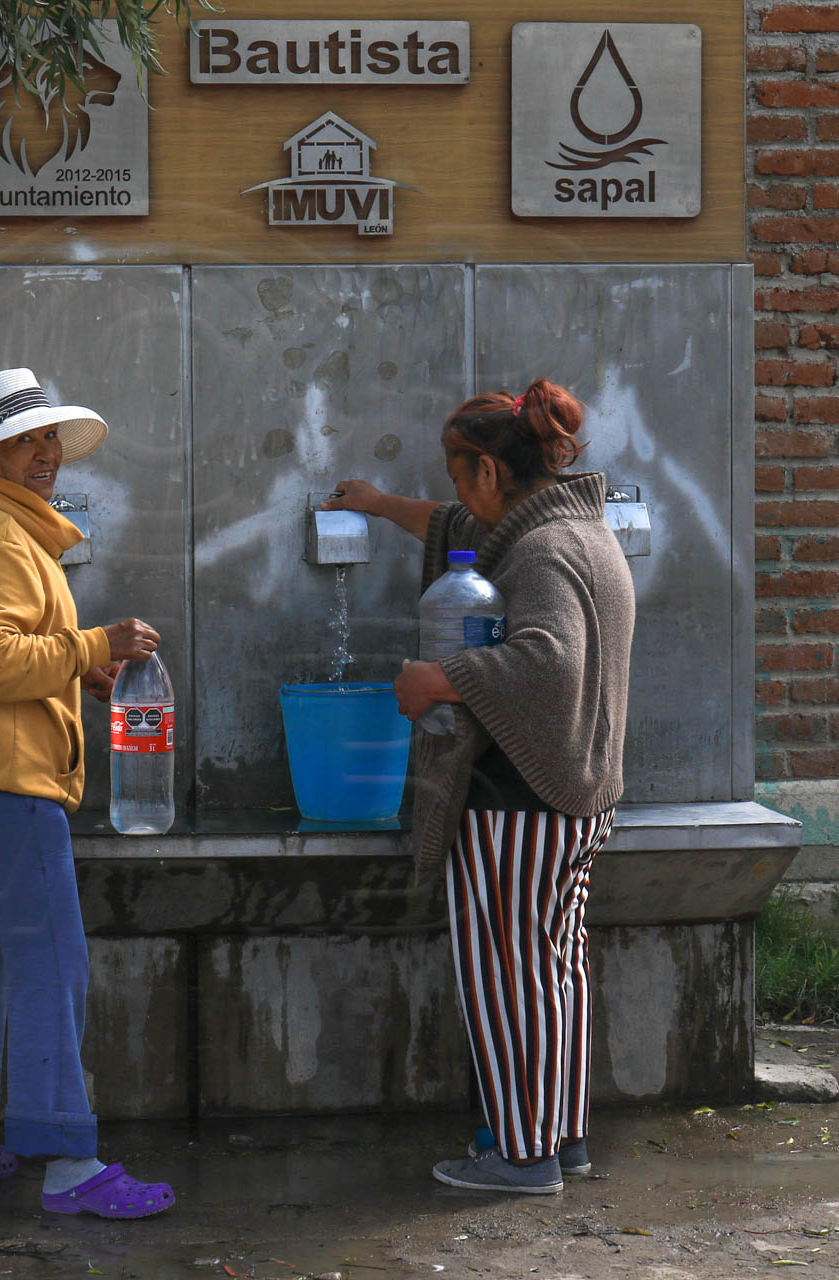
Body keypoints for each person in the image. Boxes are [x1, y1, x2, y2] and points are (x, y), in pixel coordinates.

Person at [327, 378, 634, 1195]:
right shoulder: (575, 528)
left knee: (503, 976)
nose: (459, 495)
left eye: (462, 475)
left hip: (517, 806)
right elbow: (457, 529)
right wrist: (381, 502)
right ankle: (558, 1137)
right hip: (577, 797)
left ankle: (521, 1157)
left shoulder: (542, 554)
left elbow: (548, 663)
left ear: (492, 473)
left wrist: (440, 678)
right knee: (554, 970)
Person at [0, 367, 177, 1219]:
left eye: (50, 438)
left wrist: (75, 669)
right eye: (28, 441)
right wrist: (96, 641)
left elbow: (4, 650)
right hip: (2, 785)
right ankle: (68, 1163)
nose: (47, 454)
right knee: (50, 967)